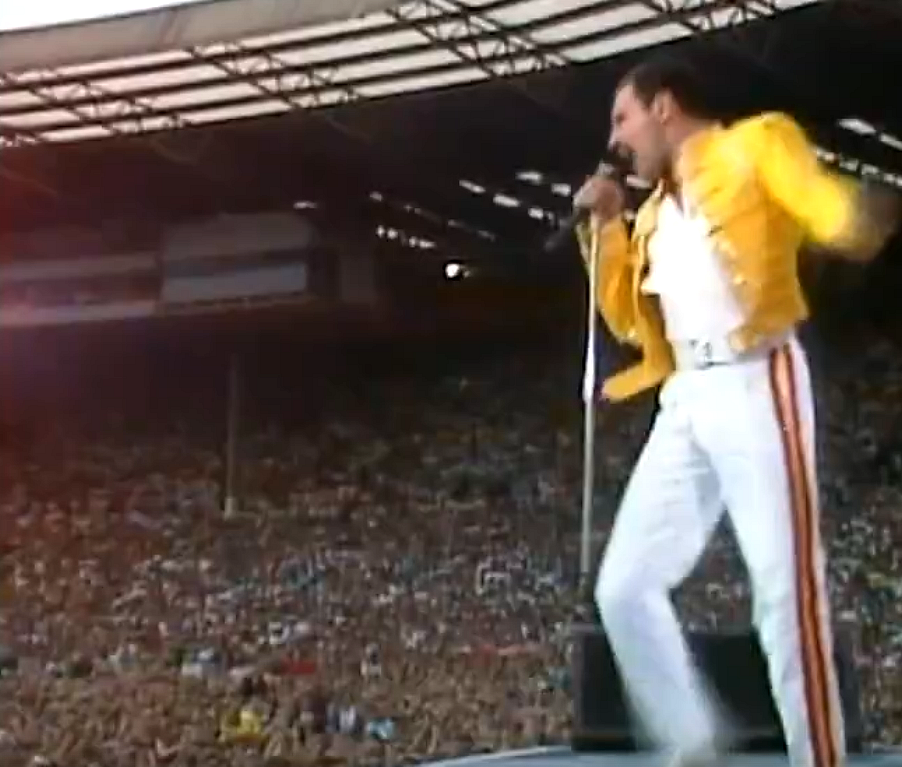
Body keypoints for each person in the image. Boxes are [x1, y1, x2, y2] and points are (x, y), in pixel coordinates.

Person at [572, 55, 897, 767]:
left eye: (621, 117)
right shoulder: (652, 213)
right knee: (622, 585)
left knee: (785, 591)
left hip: (758, 375)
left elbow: (808, 197)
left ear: (664, 107)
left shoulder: (753, 144)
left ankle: (823, 759)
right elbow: (630, 319)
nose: (616, 137)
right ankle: (692, 742)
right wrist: (604, 230)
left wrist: (847, 216)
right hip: (687, 391)